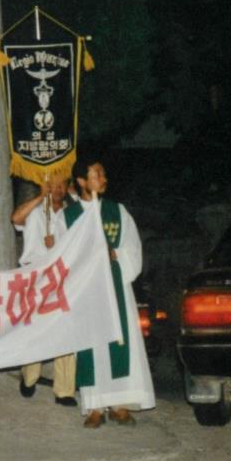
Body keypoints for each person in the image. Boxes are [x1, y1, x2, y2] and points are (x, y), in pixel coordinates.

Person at [63, 161, 155, 428]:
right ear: (81, 181)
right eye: (97, 174)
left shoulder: (117, 211)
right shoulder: (68, 216)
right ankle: (94, 407)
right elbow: (62, 255)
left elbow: (132, 246)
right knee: (92, 344)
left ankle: (120, 404)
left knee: (119, 340)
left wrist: (117, 255)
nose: (104, 177)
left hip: (116, 287)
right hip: (87, 290)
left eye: (103, 173)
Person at [10, 172, 77, 407]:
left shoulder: (72, 214)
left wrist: (56, 247)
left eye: (62, 185)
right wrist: (41, 196)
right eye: (53, 184)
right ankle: (29, 376)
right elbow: (15, 218)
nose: (57, 189)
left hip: (61, 277)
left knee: (65, 332)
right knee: (35, 330)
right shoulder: (36, 212)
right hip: (34, 276)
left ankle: (65, 390)